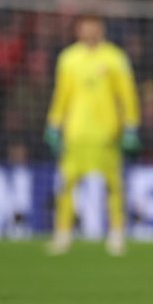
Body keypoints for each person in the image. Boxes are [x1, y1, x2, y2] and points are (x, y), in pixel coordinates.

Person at [44, 14, 141, 256]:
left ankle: (117, 234)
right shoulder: (68, 59)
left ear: (102, 29)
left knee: (113, 186)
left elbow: (127, 94)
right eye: (85, 28)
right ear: (78, 30)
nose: (90, 32)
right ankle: (63, 235)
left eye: (94, 28)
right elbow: (62, 95)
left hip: (107, 134)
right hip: (75, 133)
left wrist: (131, 125)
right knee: (66, 185)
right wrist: (53, 124)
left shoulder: (115, 58)